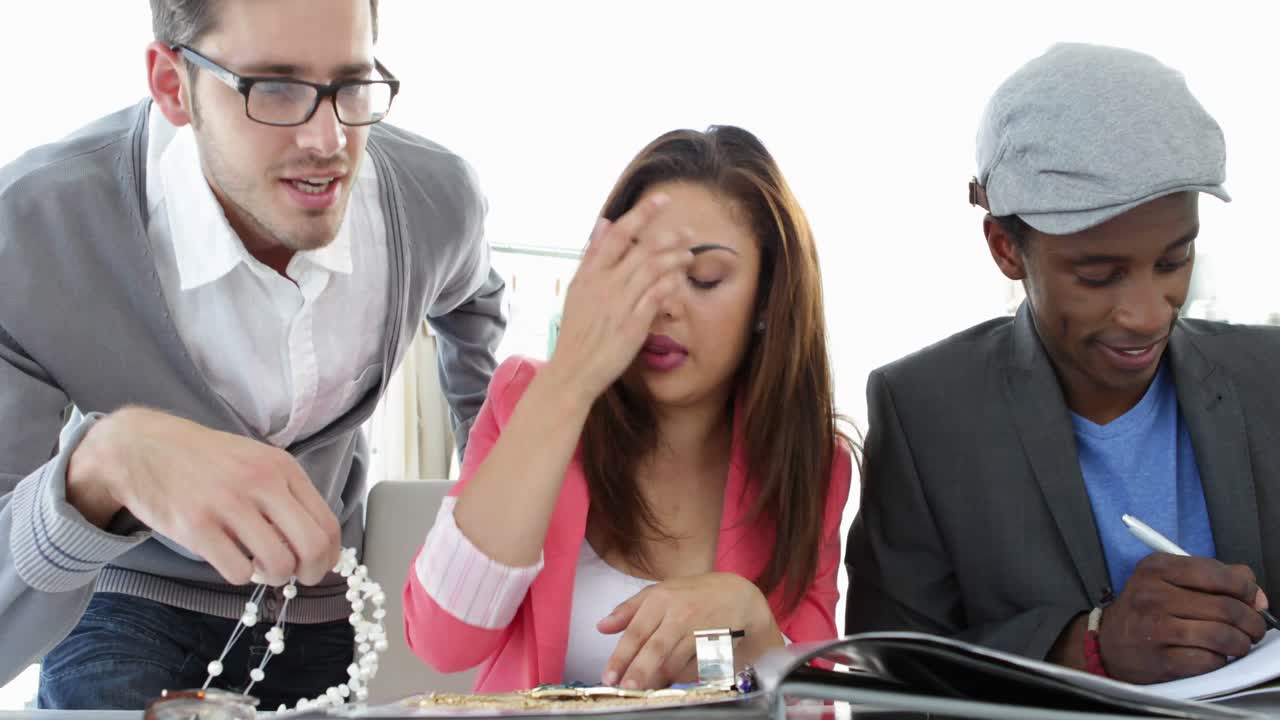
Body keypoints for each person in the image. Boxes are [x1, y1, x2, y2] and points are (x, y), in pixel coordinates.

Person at [0, 0, 505, 709]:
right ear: (174, 86)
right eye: (274, 87)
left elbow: (473, 297)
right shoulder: (29, 233)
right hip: (122, 602)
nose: (328, 139)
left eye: (351, 84)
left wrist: (487, 467)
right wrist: (100, 468)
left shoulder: (434, 203)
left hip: (323, 606)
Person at [845, 43, 1280, 685]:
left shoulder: (1270, 379)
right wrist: (1085, 649)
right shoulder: (925, 415)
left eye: (1173, 262)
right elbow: (890, 678)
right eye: (1099, 276)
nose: (1147, 314)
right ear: (1005, 249)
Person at [403, 125, 853, 692]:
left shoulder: (812, 462)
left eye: (703, 279)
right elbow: (444, 641)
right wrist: (568, 383)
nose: (661, 305)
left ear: (768, 299)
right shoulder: (532, 398)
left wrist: (750, 630)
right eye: (638, 271)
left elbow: (810, 701)